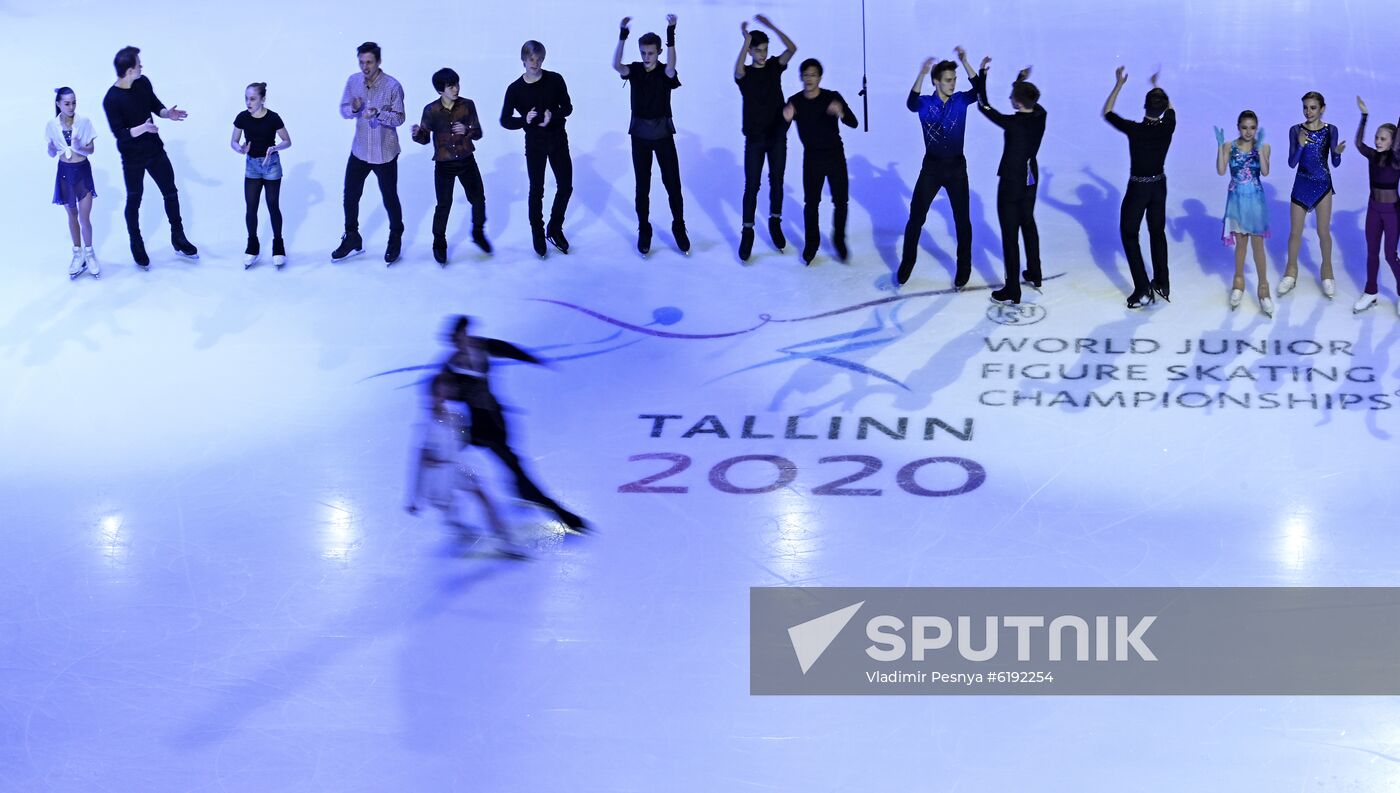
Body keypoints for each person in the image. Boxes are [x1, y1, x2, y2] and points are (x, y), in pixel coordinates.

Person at [437, 316, 590, 534]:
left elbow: (505, 349)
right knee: (510, 467)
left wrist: (532, 359)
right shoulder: (450, 368)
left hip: (496, 420)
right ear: (453, 340)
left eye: (465, 334)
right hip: (478, 429)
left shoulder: (479, 346)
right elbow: (438, 394)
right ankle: (563, 515)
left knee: (512, 462)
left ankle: (518, 489)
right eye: (458, 338)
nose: (463, 340)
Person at [406, 374, 524, 559]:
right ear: (431, 395)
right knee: (448, 508)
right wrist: (414, 497)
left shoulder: (454, 416)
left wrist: (463, 430)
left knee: (483, 496)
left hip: (457, 468)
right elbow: (420, 461)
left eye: (445, 391)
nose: (443, 396)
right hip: (439, 476)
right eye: (439, 392)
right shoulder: (428, 426)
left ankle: (505, 541)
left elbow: (462, 440)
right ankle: (457, 526)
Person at [101, 46, 199, 268]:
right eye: (138, 64)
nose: (141, 67)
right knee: (134, 199)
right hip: (132, 157)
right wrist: (143, 128)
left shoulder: (143, 82)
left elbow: (155, 106)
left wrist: (167, 114)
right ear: (128, 71)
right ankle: (136, 242)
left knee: (171, 192)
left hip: (154, 150)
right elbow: (121, 135)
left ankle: (178, 236)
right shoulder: (111, 99)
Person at [897, 48, 980, 286]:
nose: (953, 84)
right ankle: (907, 262)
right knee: (916, 217)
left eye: (954, 79)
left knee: (962, 220)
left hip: (956, 169)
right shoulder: (924, 104)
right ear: (936, 81)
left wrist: (965, 61)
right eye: (948, 80)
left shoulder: (961, 100)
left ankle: (964, 267)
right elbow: (911, 103)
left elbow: (979, 91)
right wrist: (921, 74)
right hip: (931, 168)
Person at [972, 60, 1046, 305]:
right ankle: (1035, 272)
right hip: (1030, 178)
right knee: (1028, 222)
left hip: (1011, 182)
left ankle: (1012, 289)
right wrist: (1020, 80)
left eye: (1012, 96)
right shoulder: (1040, 115)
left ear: (1016, 102)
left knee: (1009, 235)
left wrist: (981, 76)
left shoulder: (1013, 123)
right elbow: (1028, 98)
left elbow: (984, 106)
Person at [614, 14, 689, 257]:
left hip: (663, 134)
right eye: (644, 53)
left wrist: (670, 33)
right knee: (642, 186)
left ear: (657, 52)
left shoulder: (664, 72)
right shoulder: (635, 70)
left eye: (651, 53)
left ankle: (679, 226)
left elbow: (671, 67)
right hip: (640, 136)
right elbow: (617, 65)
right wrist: (622, 36)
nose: (647, 57)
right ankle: (644, 228)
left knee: (672, 184)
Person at [1103, 66, 1176, 308]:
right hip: (1159, 186)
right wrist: (1157, 87)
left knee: (1129, 233)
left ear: (1145, 107)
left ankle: (1143, 288)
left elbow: (1108, 111)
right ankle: (1162, 282)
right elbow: (1171, 110)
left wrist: (1119, 84)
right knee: (1157, 233)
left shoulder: (1135, 130)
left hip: (1138, 189)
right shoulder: (1168, 126)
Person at [332, 42, 406, 265]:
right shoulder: (353, 81)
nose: (365, 66)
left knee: (389, 197)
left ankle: (395, 237)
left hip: (385, 152)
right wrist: (354, 109)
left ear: (379, 61)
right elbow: (344, 110)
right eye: (362, 62)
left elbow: (400, 117)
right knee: (350, 196)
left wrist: (379, 114)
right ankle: (352, 236)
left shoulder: (393, 86)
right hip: (361, 150)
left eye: (369, 62)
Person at [501, 40, 574, 259]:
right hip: (535, 144)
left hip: (558, 140)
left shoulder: (555, 79)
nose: (535, 62)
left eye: (539, 58)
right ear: (523, 60)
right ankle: (538, 232)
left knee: (566, 186)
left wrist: (555, 114)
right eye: (531, 58)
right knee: (537, 189)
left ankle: (554, 228)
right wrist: (524, 119)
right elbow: (505, 120)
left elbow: (568, 107)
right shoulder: (515, 89)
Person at [734, 14, 796, 261]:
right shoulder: (746, 74)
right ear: (750, 51)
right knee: (752, 185)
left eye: (765, 50)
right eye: (757, 50)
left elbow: (792, 49)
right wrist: (745, 40)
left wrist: (771, 26)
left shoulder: (773, 67)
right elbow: (737, 70)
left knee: (777, 180)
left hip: (777, 134)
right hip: (755, 138)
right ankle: (747, 231)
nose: (762, 54)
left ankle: (775, 222)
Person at [784, 58, 858, 265]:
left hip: (835, 156)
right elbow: (780, 131)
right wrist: (786, 118)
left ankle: (839, 239)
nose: (809, 78)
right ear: (801, 77)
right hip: (812, 158)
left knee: (841, 201)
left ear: (820, 77)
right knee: (811, 203)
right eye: (806, 74)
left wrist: (841, 111)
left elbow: (853, 122)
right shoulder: (795, 101)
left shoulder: (831, 97)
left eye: (813, 75)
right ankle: (811, 243)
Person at [412, 67, 490, 265]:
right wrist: (417, 134)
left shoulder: (467, 105)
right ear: (440, 90)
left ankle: (478, 233)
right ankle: (439, 242)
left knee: (478, 199)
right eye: (450, 86)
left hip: (466, 160)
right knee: (443, 205)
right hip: (444, 164)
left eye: (456, 84)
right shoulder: (431, 110)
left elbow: (478, 132)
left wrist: (467, 130)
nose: (455, 89)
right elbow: (423, 138)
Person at [1281, 91, 1344, 298]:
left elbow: (1334, 163)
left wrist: (1337, 153)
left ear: (1322, 109)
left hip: (1323, 185)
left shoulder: (1330, 130)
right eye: (1305, 107)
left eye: (1313, 107)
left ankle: (1327, 272)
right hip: (1301, 184)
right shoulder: (1295, 130)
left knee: (1323, 232)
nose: (1308, 111)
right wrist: (1300, 145)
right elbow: (1292, 163)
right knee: (1295, 233)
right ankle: (1291, 271)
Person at [1215, 110, 1273, 316]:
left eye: (1252, 128)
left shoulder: (1264, 146)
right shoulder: (1229, 146)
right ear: (1238, 127)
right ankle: (1238, 283)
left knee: (1258, 247)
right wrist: (1221, 148)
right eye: (1244, 127)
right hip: (1237, 200)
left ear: (1256, 128)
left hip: (1255, 201)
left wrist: (1259, 151)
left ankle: (1263, 288)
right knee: (1240, 246)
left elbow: (1265, 172)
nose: (1248, 132)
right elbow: (1221, 170)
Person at [231, 82, 290, 268]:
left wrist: (275, 148)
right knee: (251, 207)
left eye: (253, 98)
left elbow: (287, 141)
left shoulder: (273, 118)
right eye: (246, 98)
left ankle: (278, 246)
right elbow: (233, 141)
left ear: (263, 99)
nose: (248, 102)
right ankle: (252, 246)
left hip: (271, 165)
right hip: (252, 166)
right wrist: (240, 149)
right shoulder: (242, 117)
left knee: (273, 205)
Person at [1349, 97, 1400, 314]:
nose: (1378, 142)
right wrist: (1364, 116)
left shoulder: (1396, 158)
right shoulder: (1371, 155)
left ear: (1392, 142)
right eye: (1377, 138)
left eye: (1383, 139)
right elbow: (1358, 143)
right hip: (1373, 210)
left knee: (1390, 254)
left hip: (1392, 213)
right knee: (1372, 252)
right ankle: (1371, 292)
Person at [47, 87, 100, 279]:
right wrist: (52, 149)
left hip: (82, 172)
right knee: (72, 216)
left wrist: (80, 147)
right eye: (67, 103)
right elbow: (52, 153)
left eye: (74, 102)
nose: (71, 106)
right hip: (64, 174)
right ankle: (77, 254)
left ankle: (90, 254)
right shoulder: (52, 125)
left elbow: (91, 149)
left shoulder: (84, 122)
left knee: (84, 217)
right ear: (58, 104)